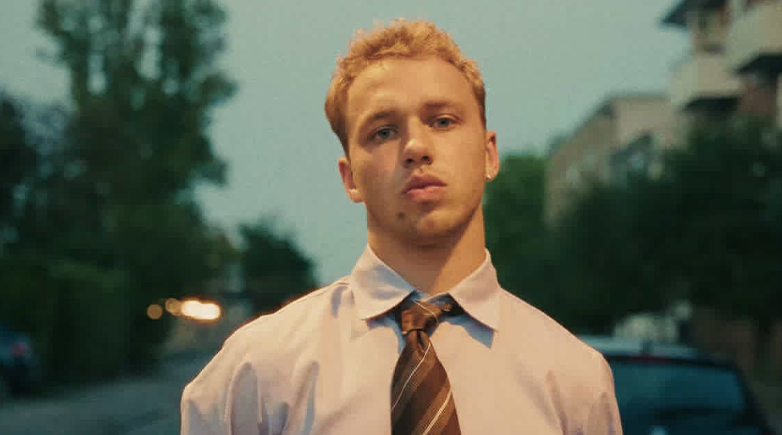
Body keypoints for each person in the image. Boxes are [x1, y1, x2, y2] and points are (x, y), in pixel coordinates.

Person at [181, 19, 622, 435]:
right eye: (383, 132)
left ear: (489, 155)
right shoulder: (257, 372)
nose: (415, 146)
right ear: (350, 178)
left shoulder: (575, 380)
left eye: (442, 121)